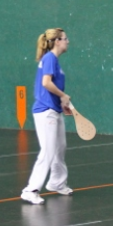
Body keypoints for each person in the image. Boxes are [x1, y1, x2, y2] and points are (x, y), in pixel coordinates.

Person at [21, 28, 73, 205]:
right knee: (48, 150)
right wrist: (63, 96)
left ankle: (57, 182)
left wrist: (62, 103)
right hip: (45, 112)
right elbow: (46, 83)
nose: (68, 41)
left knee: (60, 147)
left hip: (54, 109)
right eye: (65, 38)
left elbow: (49, 88)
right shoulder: (50, 58)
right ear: (57, 41)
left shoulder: (54, 60)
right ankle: (30, 190)